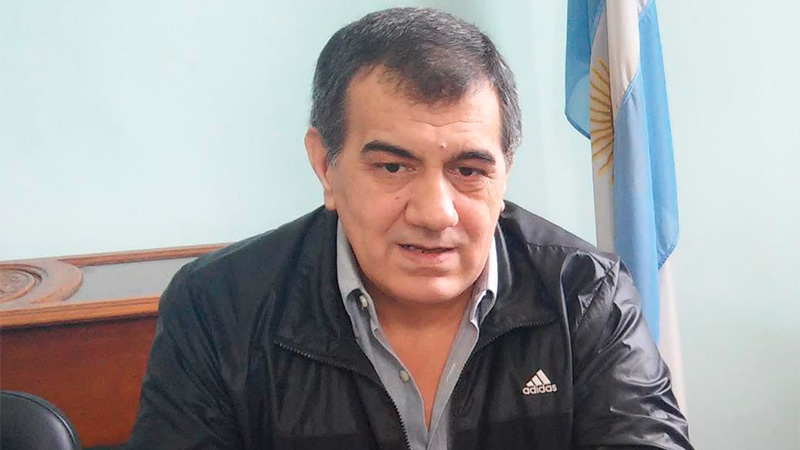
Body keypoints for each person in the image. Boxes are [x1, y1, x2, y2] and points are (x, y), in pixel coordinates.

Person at [128, 7, 692, 450]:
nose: (435, 213)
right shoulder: (218, 309)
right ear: (325, 167)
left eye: (468, 171)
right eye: (393, 168)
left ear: (505, 171)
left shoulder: (586, 294)